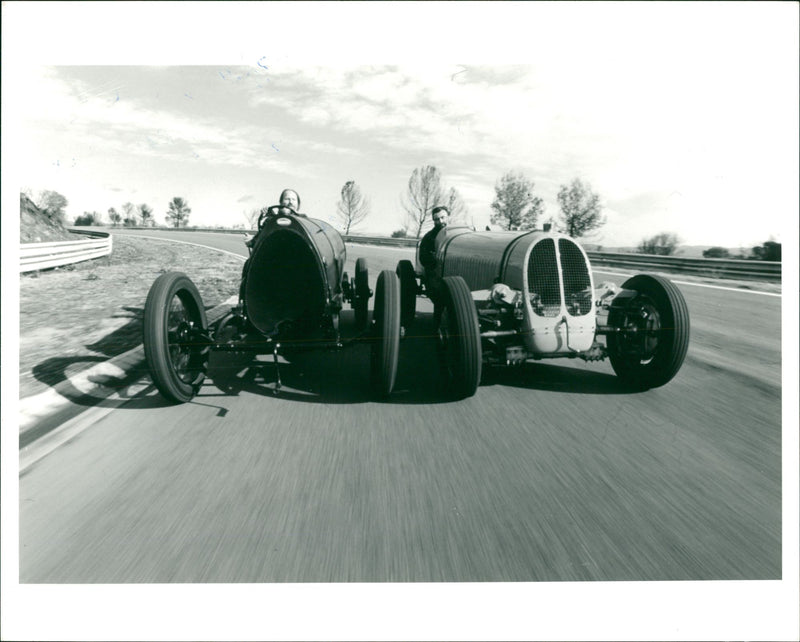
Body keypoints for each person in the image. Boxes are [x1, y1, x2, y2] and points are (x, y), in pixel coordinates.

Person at [240, 188, 303, 301]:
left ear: (298, 205)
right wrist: (252, 240)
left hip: (296, 262)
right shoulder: (270, 220)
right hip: (272, 261)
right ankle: (245, 303)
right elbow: (261, 238)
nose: (290, 202)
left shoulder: (303, 220)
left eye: (293, 199)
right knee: (249, 264)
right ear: (280, 203)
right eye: (287, 199)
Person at [418, 205, 449, 318]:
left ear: (448, 216)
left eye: (443, 217)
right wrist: (436, 261)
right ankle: (437, 326)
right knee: (440, 295)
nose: (441, 221)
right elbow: (423, 258)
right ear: (434, 220)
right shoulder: (429, 237)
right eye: (437, 219)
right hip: (435, 273)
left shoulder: (456, 235)